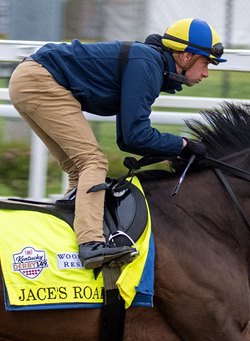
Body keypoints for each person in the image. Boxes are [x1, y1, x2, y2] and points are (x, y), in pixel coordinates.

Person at [8, 18, 226, 269]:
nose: (207, 73)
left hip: (32, 77)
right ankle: (91, 245)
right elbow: (135, 136)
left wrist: (172, 149)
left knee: (79, 168)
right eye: (206, 62)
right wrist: (183, 146)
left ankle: (68, 243)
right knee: (92, 161)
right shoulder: (147, 65)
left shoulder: (150, 63)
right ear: (186, 56)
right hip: (40, 80)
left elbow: (126, 138)